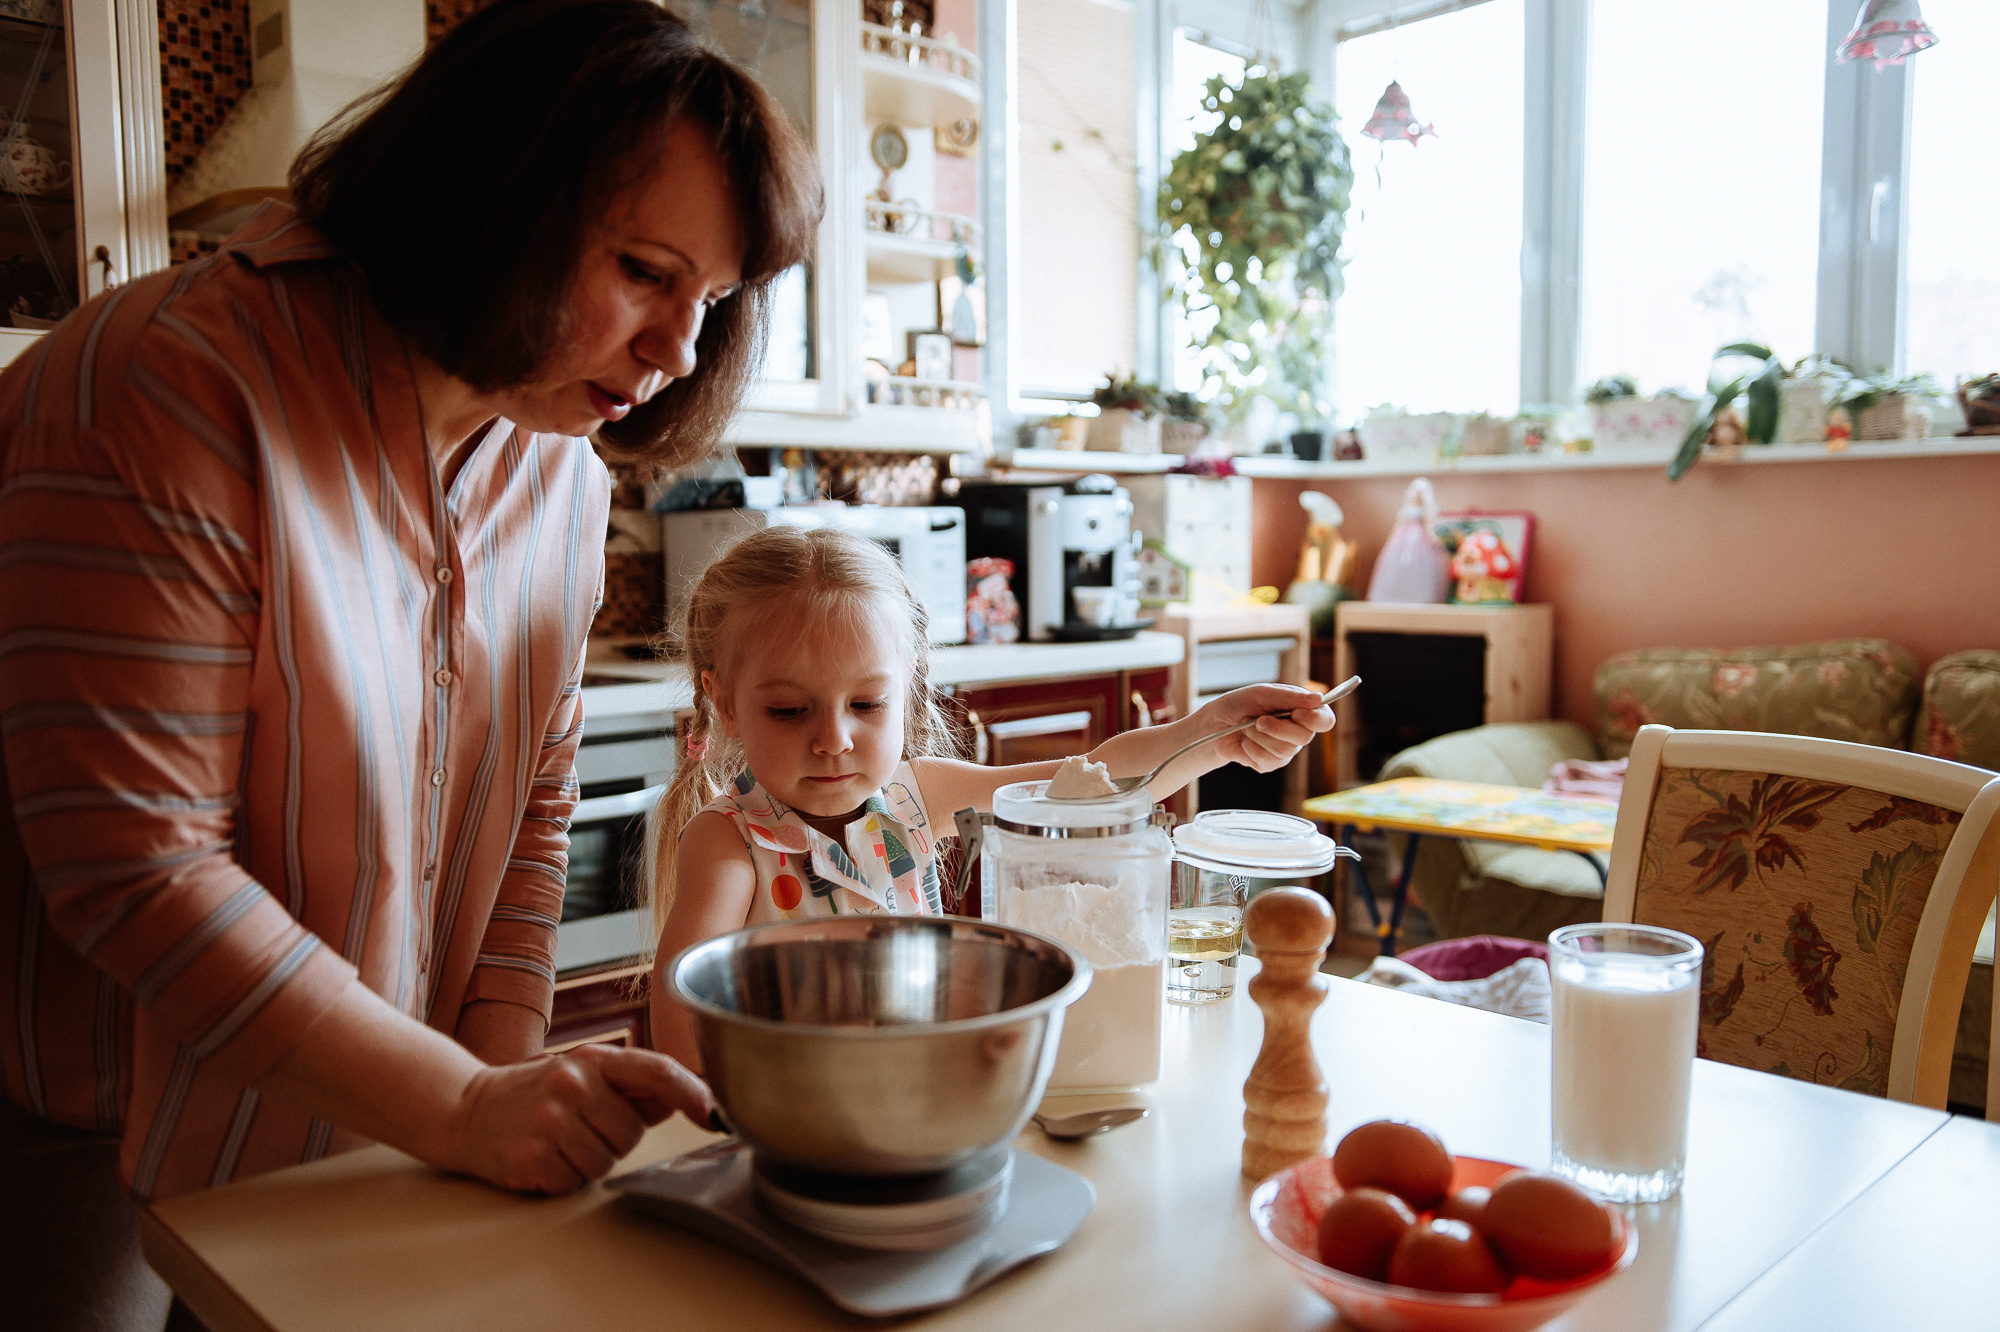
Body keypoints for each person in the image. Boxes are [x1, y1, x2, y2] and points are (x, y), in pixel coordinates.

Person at [0, 2, 821, 1327]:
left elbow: (532, 804)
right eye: (642, 270)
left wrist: (493, 1093)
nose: (677, 351)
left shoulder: (553, 467)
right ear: (493, 194)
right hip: (85, 1123)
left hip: (373, 1117)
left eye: (711, 302)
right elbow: (136, 870)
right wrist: (460, 1105)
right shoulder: (165, 385)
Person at [646, 528, 1336, 1069]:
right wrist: (716, 1116)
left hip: (928, 1091)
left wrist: (1209, 736)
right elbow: (679, 1007)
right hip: (797, 1113)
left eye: (865, 703)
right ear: (726, 704)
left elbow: (1083, 785)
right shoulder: (733, 840)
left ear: (907, 683)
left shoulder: (915, 796)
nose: (834, 739)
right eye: (790, 711)